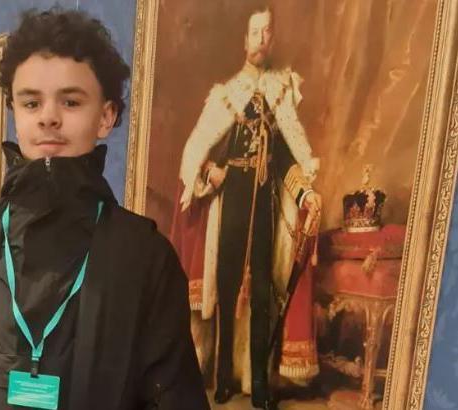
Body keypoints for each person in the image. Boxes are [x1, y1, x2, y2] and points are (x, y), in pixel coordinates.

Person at [0, 7, 208, 410]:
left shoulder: (145, 261)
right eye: (31, 103)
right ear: (14, 112)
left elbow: (173, 398)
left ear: (106, 115)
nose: (48, 118)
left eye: (70, 102)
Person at [169, 4, 321, 409]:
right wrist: (211, 172)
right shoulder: (227, 94)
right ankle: (221, 380)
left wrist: (305, 190)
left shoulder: (282, 90)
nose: (261, 40)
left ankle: (260, 384)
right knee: (226, 282)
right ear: (244, 40)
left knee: (261, 296)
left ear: (272, 39)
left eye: (267, 32)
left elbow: (291, 154)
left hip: (267, 201)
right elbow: (196, 149)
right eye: (255, 33)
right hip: (232, 199)